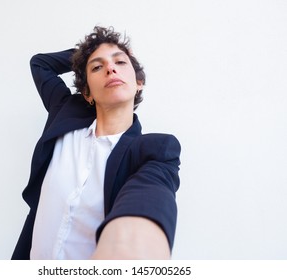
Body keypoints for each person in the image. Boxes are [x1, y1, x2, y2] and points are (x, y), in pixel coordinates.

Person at [12, 26, 181, 260]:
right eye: (97, 67)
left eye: (121, 62)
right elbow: (40, 64)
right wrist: (87, 52)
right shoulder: (64, 113)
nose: (111, 68)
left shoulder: (153, 152)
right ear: (87, 93)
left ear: (139, 82)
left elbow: (148, 197)